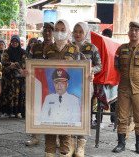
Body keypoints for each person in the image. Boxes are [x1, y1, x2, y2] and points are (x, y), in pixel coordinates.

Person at [112, 22, 139, 155]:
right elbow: (116, 66)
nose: (134, 32)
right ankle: (121, 144)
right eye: (131, 30)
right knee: (122, 116)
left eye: (137, 30)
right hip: (124, 87)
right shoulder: (121, 49)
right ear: (128, 32)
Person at [43, 19, 80, 157]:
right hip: (51, 91)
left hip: (68, 93)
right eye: (57, 29)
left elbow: (78, 72)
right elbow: (41, 70)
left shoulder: (74, 49)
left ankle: (64, 153)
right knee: (50, 131)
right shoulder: (47, 49)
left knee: (66, 131)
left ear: (68, 31)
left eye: (62, 29)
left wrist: (88, 76)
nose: (59, 32)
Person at [72, 21, 102, 157]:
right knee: (71, 113)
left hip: (85, 86)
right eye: (75, 31)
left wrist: (91, 70)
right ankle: (71, 143)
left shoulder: (92, 48)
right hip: (70, 86)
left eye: (80, 31)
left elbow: (99, 66)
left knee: (84, 114)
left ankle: (81, 145)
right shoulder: (68, 47)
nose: (78, 34)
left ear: (85, 33)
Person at [25, 22, 54, 147]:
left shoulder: (57, 48)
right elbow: (28, 62)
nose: (47, 33)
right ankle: (35, 136)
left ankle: (55, 138)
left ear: (53, 33)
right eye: (45, 30)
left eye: (50, 31)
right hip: (37, 82)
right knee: (35, 109)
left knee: (52, 109)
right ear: (42, 32)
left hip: (52, 83)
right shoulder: (35, 47)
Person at [0, 35, 26, 118]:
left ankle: (17, 112)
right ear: (10, 42)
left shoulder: (23, 52)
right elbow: (4, 62)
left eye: (16, 42)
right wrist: (13, 65)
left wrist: (15, 64)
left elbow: (25, 62)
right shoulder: (6, 51)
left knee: (19, 94)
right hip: (9, 78)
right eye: (13, 42)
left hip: (19, 78)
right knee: (8, 93)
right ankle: (8, 112)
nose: (14, 43)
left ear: (18, 43)